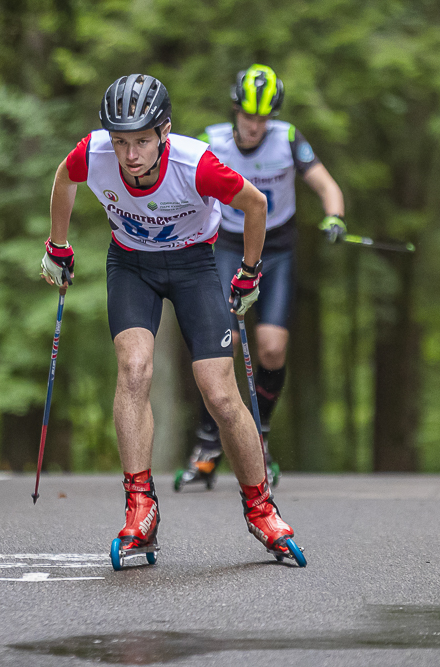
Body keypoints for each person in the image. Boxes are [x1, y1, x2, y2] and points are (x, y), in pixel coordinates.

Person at [40, 73, 301, 561]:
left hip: (194, 266)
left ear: (165, 131)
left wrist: (249, 272)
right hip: (130, 264)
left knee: (220, 394)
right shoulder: (92, 153)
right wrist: (58, 244)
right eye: (121, 142)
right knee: (135, 369)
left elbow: (256, 202)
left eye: (142, 140)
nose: (130, 154)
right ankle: (140, 506)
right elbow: (63, 178)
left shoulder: (195, 164)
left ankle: (260, 507)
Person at [181, 64, 345, 489]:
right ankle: (207, 442)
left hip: (276, 251)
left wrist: (334, 217)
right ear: (235, 111)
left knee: (272, 349)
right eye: (247, 116)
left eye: (262, 117)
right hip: (228, 247)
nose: (254, 126)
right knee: (224, 341)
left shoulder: (287, 138)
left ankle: (260, 435)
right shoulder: (209, 141)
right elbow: (179, 183)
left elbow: (328, 186)